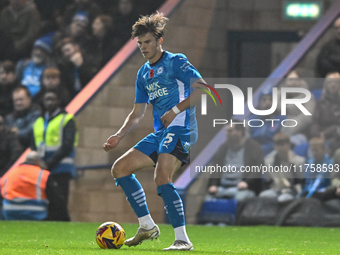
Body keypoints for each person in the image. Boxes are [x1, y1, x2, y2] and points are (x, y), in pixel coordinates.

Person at [103, 12, 206, 251]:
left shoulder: (176, 61)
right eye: (139, 43)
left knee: (162, 177)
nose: (143, 47)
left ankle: (182, 239)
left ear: (159, 40)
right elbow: (137, 113)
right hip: (162, 133)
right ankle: (147, 226)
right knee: (120, 168)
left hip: (183, 128)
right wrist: (119, 135)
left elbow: (203, 89)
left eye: (147, 42)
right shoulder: (142, 74)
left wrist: (175, 109)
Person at [30, 89, 78, 220]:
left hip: (61, 168)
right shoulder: (39, 121)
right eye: (47, 99)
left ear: (59, 101)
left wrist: (49, 163)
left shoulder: (66, 119)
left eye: (52, 99)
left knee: (60, 201)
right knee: (48, 202)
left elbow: (67, 145)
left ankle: (65, 224)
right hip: (42, 169)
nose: (49, 102)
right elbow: (33, 144)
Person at [0, 151, 70, 221]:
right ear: (38, 162)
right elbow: (56, 198)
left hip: (10, 211)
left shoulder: (10, 173)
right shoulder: (42, 174)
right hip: (34, 212)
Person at [207, 122, 264, 201]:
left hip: (243, 188)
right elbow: (216, 168)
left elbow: (258, 168)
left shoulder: (253, 147)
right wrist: (213, 185)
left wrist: (247, 183)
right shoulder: (223, 148)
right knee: (208, 200)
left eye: (230, 131)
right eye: (226, 131)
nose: (227, 134)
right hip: (222, 187)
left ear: (240, 131)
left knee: (239, 199)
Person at [260, 133, 304, 202]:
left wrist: (292, 164)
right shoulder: (268, 161)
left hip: (291, 190)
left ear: (288, 145)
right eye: (277, 145)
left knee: (283, 199)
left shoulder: (298, 161)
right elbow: (268, 180)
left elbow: (300, 180)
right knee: (264, 196)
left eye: (282, 144)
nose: (280, 148)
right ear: (274, 146)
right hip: (275, 189)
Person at [16, 33, 55, 97]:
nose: (38, 52)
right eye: (36, 49)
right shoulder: (23, 65)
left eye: (42, 51)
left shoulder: (49, 69)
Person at [248, 90, 285, 156]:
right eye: (264, 100)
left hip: (274, 154)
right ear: (259, 103)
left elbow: (283, 141)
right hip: (253, 154)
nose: (267, 103)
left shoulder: (281, 120)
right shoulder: (250, 120)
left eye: (271, 99)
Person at [310, 72, 340, 140]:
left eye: (336, 82)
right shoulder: (321, 102)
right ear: (326, 85)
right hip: (321, 135)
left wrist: (325, 133)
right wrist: (317, 135)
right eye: (330, 82)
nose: (333, 85)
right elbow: (315, 122)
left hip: (336, 137)